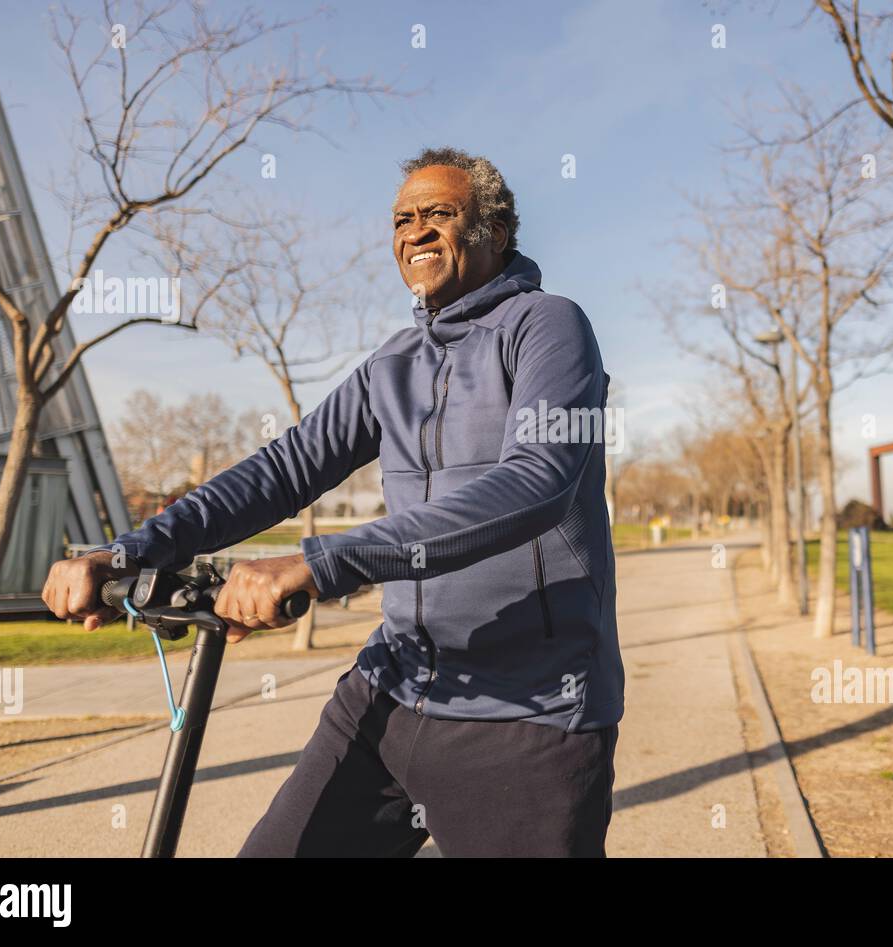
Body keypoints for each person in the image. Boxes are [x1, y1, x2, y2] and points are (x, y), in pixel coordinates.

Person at [41, 147, 624, 857]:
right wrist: (131, 549)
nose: (417, 232)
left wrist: (321, 562)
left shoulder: (549, 326)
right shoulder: (393, 364)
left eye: (441, 213)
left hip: (526, 715)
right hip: (393, 687)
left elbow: (537, 479)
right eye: (403, 219)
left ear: (495, 232)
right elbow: (284, 469)